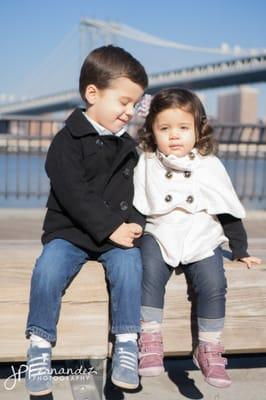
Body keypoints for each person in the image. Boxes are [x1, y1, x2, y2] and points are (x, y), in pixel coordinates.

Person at [25, 44, 148, 395]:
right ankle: (39, 346)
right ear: (92, 93)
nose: (130, 112)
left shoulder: (128, 147)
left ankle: (126, 343)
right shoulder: (67, 140)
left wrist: (136, 221)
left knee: (129, 264)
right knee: (48, 269)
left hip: (116, 235)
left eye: (135, 105)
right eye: (123, 102)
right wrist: (110, 227)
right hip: (70, 232)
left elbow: (136, 192)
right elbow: (73, 192)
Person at [133, 88, 261, 388]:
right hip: (159, 231)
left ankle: (209, 347)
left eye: (183, 128)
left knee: (214, 282)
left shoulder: (208, 164)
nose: (174, 135)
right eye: (165, 128)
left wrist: (239, 249)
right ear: (152, 131)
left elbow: (227, 208)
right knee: (149, 271)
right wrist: (133, 235)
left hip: (200, 233)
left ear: (197, 129)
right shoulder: (148, 161)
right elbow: (139, 205)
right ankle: (150, 338)